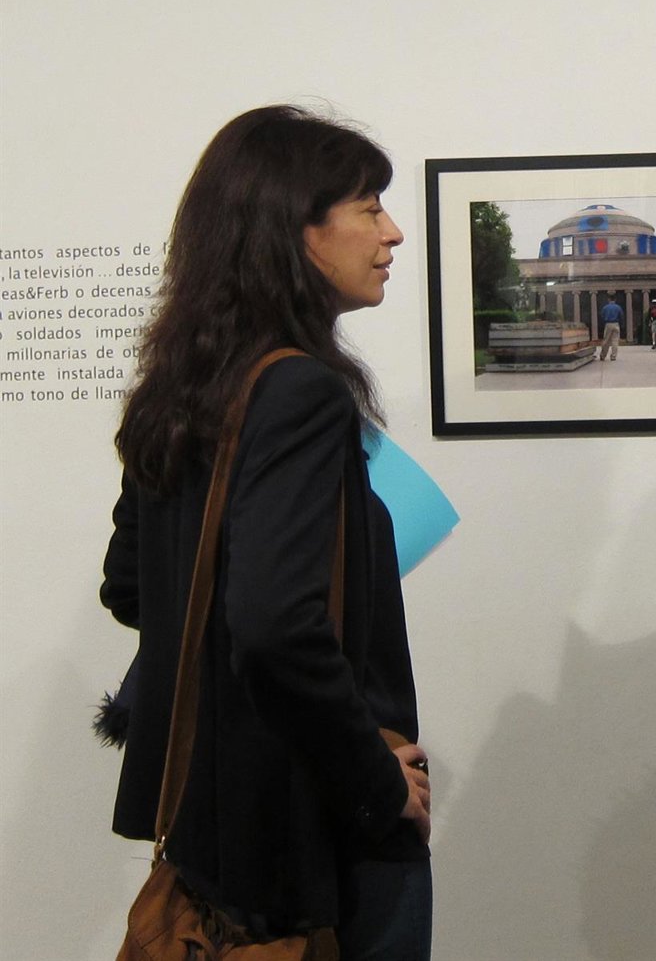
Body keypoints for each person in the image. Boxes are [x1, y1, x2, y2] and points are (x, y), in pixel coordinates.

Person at [100, 105, 433, 959]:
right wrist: (376, 782)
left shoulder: (178, 389)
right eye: (368, 208)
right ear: (297, 231)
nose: (392, 232)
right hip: (307, 836)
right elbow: (278, 626)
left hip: (216, 834)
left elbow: (131, 587)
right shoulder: (299, 394)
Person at [598, 293, 623, 361]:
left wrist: (604, 322)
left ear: (608, 299)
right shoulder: (618, 307)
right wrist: (620, 324)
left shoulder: (605, 307)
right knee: (615, 341)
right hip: (616, 324)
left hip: (608, 323)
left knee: (606, 340)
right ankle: (613, 356)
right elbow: (621, 316)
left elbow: (602, 316)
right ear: (615, 300)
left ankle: (603, 356)